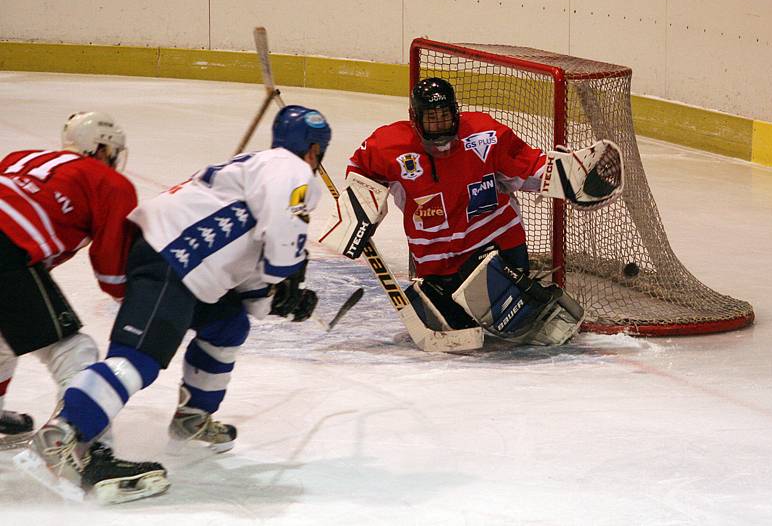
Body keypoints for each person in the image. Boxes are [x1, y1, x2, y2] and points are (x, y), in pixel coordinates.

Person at [17, 104, 331, 505]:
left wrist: (278, 300)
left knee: (229, 324)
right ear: (315, 150)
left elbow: (250, 273)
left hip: (187, 267)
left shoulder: (255, 171)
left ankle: (192, 418)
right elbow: (283, 234)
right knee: (138, 361)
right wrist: (286, 273)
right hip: (173, 264)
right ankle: (63, 434)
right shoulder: (287, 168)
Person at [320, 77, 623, 346]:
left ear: (456, 112)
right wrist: (358, 211)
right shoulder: (390, 145)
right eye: (431, 118)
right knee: (454, 331)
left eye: (445, 115)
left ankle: (529, 306)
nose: (440, 124)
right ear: (415, 119)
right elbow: (362, 168)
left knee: (503, 304)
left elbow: (528, 166)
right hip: (436, 266)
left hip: (495, 250)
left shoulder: (484, 135)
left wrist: (567, 178)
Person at [0, 112, 139, 452]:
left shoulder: (20, 157)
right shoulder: (111, 183)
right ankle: (86, 449)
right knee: (73, 348)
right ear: (103, 148)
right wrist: (138, 300)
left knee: (6, 336)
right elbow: (111, 270)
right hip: (5, 248)